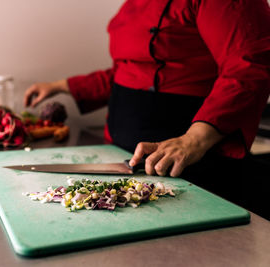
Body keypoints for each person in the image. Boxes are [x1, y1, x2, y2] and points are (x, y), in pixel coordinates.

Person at [23, 0, 270, 219]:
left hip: (189, 169)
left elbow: (250, 68)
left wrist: (194, 140)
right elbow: (131, 71)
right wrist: (62, 86)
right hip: (127, 160)